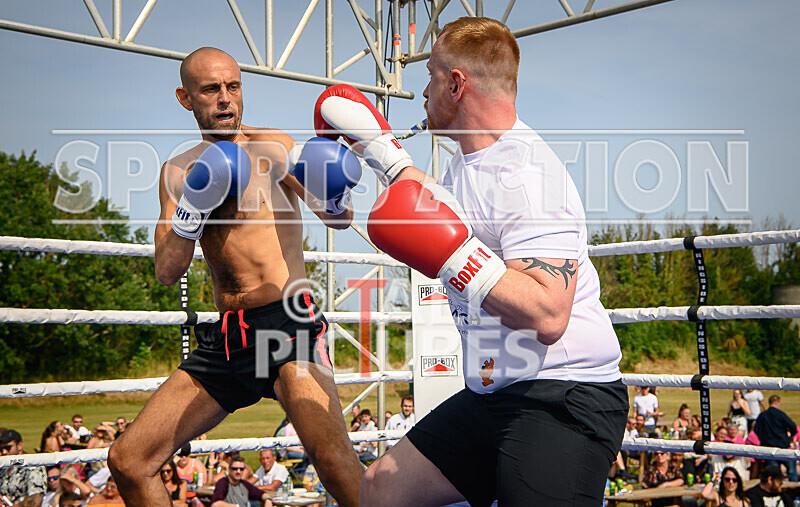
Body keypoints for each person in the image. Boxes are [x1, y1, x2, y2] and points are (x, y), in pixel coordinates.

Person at [318, 17, 628, 506]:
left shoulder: (528, 175)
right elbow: (439, 211)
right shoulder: (465, 163)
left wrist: (455, 256)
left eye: (431, 76)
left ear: (456, 84)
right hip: (493, 395)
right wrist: (380, 150)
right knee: (381, 489)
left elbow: (549, 313)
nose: (424, 92)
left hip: (561, 397)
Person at [107, 46, 364, 507]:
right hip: (228, 337)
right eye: (211, 89)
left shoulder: (272, 146)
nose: (225, 98)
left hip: (288, 326)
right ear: (186, 98)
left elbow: (338, 220)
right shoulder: (177, 171)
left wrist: (334, 191)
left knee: (331, 459)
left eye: (233, 86)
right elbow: (167, 270)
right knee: (129, 461)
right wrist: (193, 207)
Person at [752, 395, 798, 481]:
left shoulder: (762, 415)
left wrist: (763, 438)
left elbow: (756, 430)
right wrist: (790, 437)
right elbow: (793, 427)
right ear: (777, 402)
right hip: (783, 447)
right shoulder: (780, 414)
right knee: (791, 472)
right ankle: (793, 488)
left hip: (769, 448)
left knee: (774, 475)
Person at [0, 428, 46, 506]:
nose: (4, 452)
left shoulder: (33, 466)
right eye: (1, 449)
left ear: (20, 445)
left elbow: (36, 500)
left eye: (8, 448)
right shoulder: (4, 467)